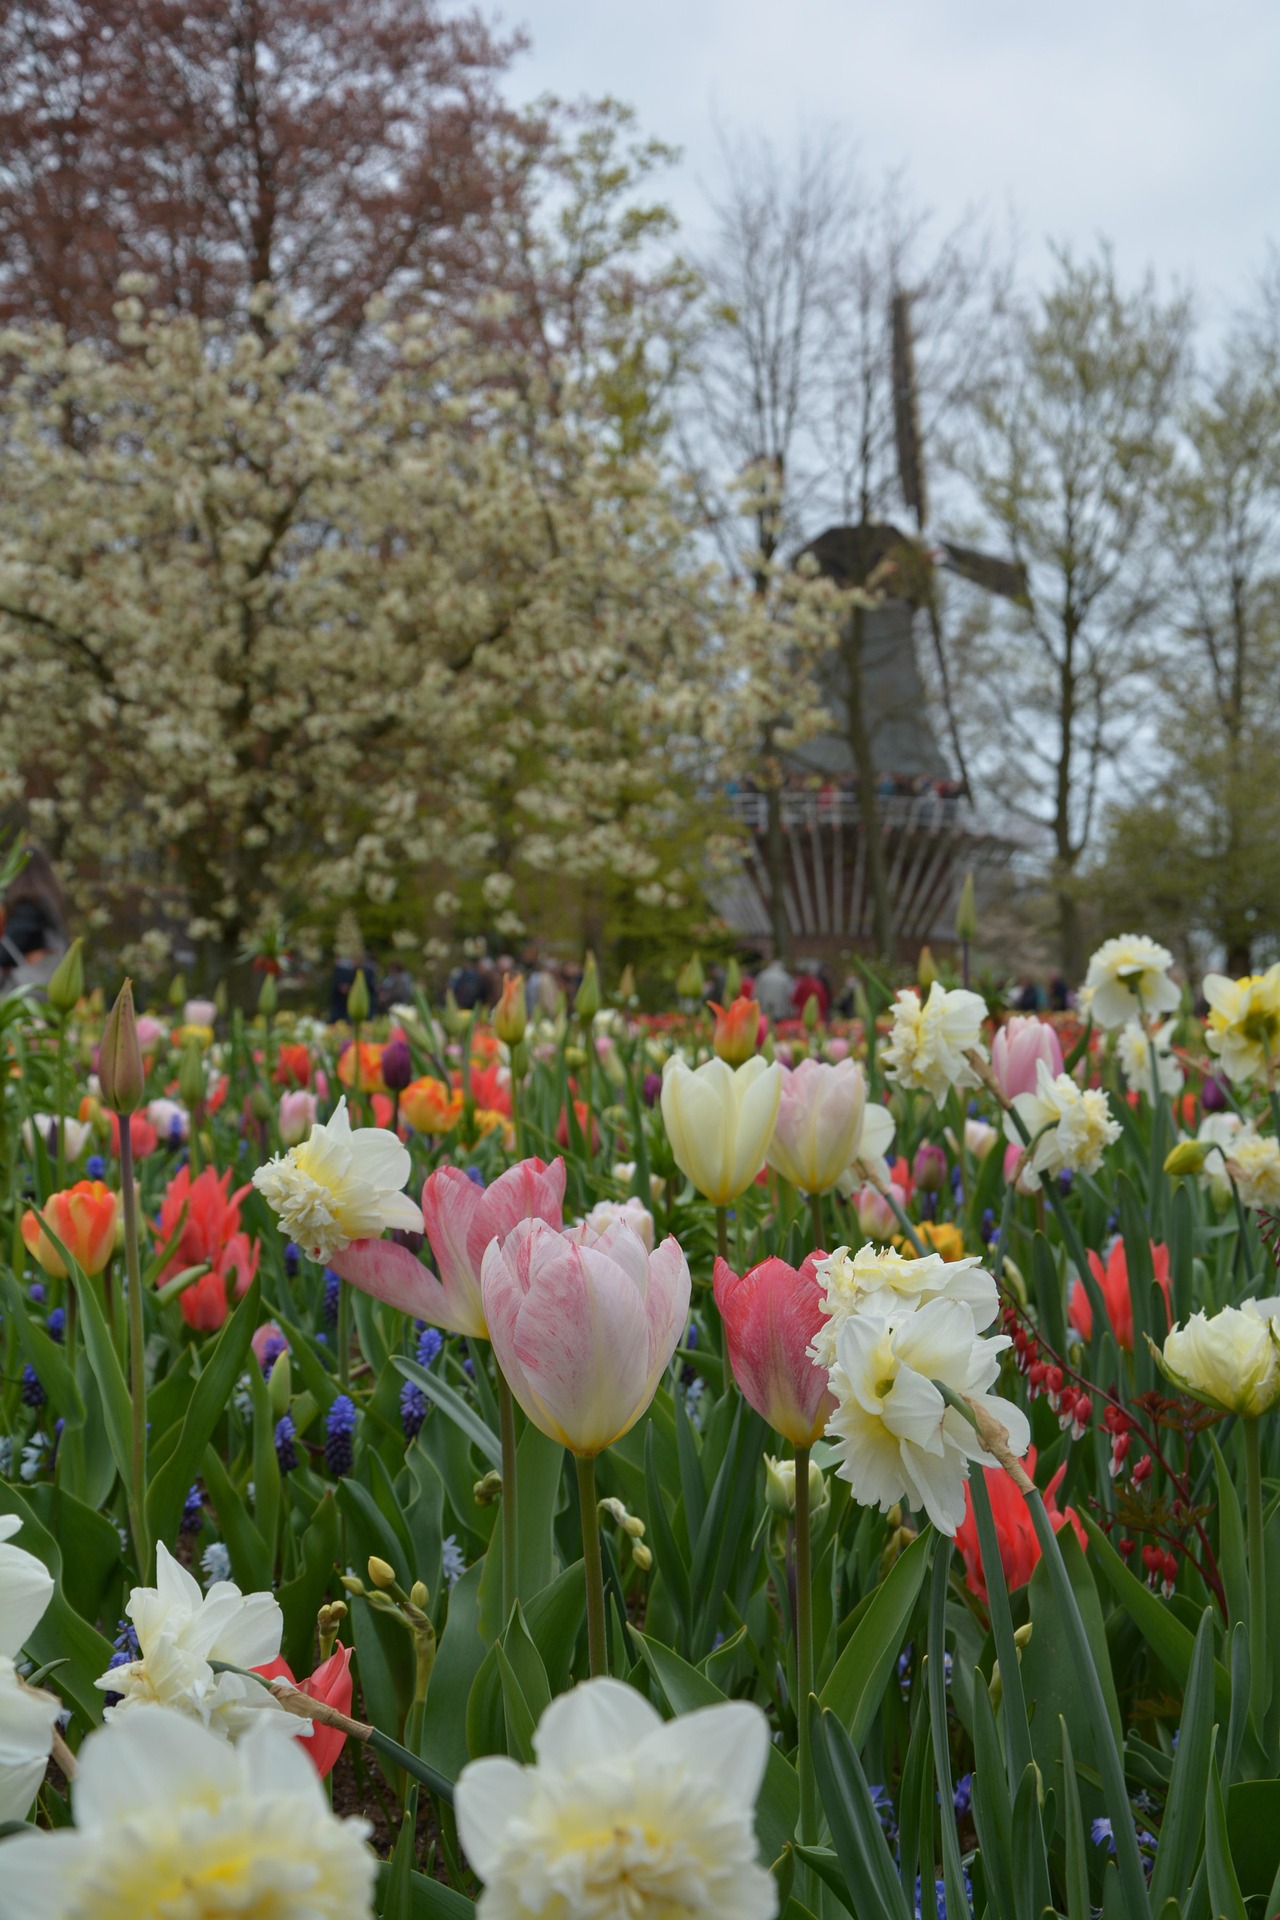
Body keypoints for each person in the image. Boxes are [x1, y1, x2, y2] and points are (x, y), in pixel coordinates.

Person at [0, 846, 69, 993]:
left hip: (28, 990)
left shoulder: (27, 905)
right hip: (52, 985)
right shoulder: (50, 903)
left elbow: (7, 951)